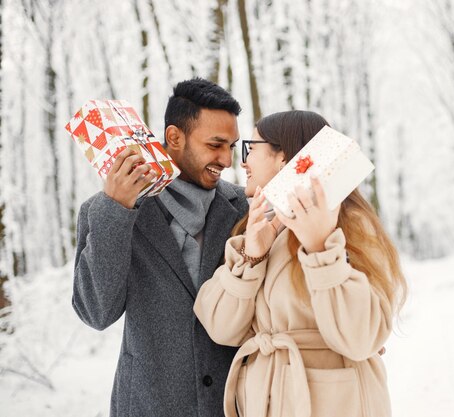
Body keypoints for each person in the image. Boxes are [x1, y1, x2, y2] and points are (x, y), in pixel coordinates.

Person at [194, 110, 407, 417]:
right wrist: (253, 256)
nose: (242, 162)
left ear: (285, 158)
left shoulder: (351, 226)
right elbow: (220, 328)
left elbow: (362, 338)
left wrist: (320, 248)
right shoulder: (257, 229)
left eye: (251, 149)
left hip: (335, 403)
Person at [72, 78, 248, 417]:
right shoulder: (104, 210)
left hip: (231, 406)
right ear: (174, 138)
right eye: (215, 144)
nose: (227, 159)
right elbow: (96, 313)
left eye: (231, 145)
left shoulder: (243, 207)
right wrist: (117, 211)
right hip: (148, 405)